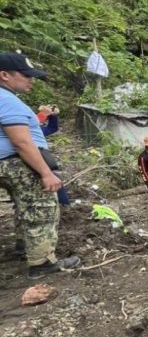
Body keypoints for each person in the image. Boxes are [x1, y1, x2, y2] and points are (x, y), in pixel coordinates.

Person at [0, 52, 80, 278]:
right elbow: (21, 141)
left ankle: (23, 246)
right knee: (41, 208)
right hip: (15, 164)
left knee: (23, 203)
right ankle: (42, 263)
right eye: (26, 75)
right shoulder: (6, 100)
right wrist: (45, 173)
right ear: (5, 75)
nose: (31, 80)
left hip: (6, 164)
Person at [37, 105, 69, 206]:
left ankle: (64, 206)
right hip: (30, 158)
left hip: (40, 158)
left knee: (55, 180)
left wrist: (52, 116)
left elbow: (52, 128)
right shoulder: (19, 125)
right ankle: (64, 206)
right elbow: (30, 124)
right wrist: (43, 114)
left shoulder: (37, 130)